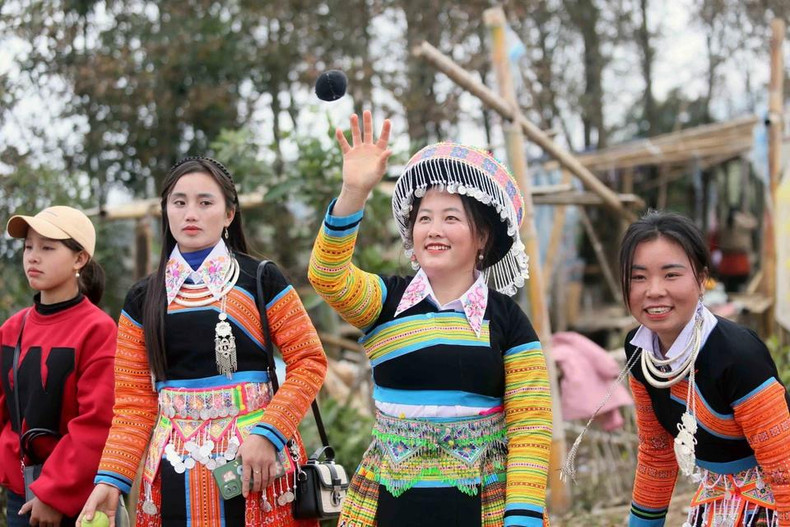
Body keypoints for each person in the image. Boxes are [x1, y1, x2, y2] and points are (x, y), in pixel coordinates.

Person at [308, 111, 552, 527]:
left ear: (483, 237)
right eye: (424, 217)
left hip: (483, 508)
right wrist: (353, 192)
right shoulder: (386, 302)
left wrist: (524, 515)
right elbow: (327, 276)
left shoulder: (507, 320)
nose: (434, 229)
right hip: (390, 504)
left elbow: (530, 423)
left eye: (451, 217)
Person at [78, 157, 327, 526]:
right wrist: (111, 479)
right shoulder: (142, 299)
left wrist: (268, 433)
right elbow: (133, 403)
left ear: (229, 214)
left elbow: (309, 361)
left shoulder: (262, 280)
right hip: (171, 470)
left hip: (257, 465)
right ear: (166, 211)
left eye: (205, 202)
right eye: (179, 202)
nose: (189, 213)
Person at [620, 211, 790, 526]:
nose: (654, 290)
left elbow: (785, 472)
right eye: (639, 276)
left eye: (671, 275)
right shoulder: (639, 351)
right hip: (716, 498)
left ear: (701, 279)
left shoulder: (736, 356)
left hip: (773, 502)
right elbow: (657, 452)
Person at [1, 206, 117, 527]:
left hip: (74, 502)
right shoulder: (11, 329)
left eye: (47, 248)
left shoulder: (98, 330)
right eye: (28, 247)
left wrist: (54, 493)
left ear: (79, 259)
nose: (32, 257)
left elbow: (97, 424)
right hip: (19, 499)